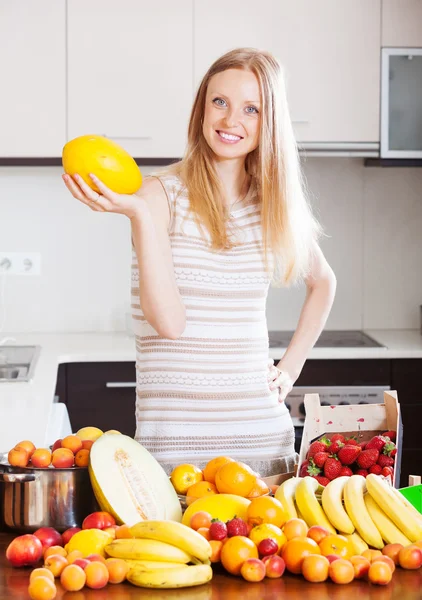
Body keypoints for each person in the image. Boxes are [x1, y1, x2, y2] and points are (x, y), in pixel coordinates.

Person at [62, 47, 336, 477]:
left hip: (262, 443)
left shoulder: (273, 206)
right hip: (175, 453)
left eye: (252, 109)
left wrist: (290, 367)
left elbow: (323, 282)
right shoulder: (158, 195)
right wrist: (138, 216)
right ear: (202, 108)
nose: (231, 121)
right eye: (220, 102)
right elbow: (169, 323)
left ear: (270, 123)